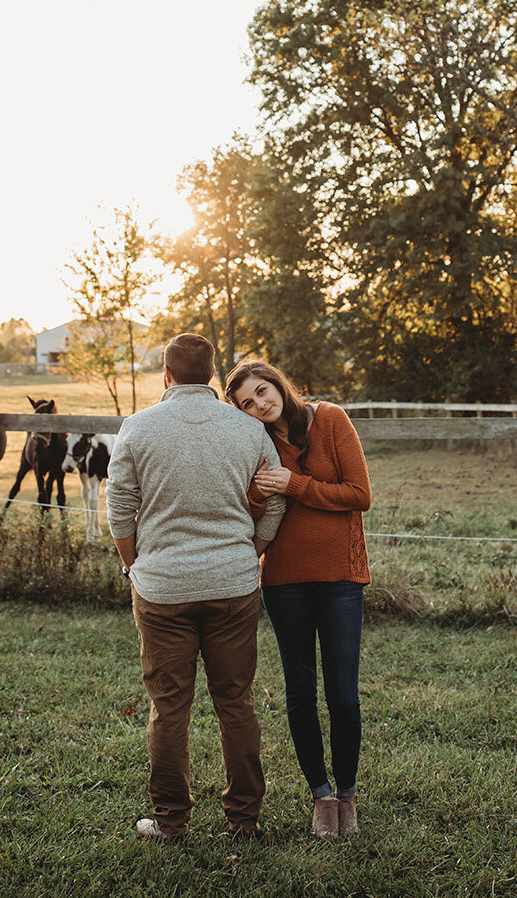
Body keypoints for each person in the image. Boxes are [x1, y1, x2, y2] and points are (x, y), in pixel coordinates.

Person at [107, 332, 287, 842]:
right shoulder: (248, 428)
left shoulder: (137, 428)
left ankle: (171, 824)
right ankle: (245, 823)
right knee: (236, 702)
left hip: (162, 588)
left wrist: (133, 564)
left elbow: (119, 507)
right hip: (232, 585)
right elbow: (276, 496)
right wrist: (253, 548)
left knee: (169, 707)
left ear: (166, 375)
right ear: (212, 375)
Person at [225, 360, 371, 841]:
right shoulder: (255, 444)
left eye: (262, 391)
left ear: (278, 385)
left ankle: (348, 792)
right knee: (300, 691)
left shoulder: (330, 419)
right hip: (284, 582)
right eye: (247, 403)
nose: (259, 404)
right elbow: (249, 506)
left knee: (344, 695)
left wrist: (295, 485)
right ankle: (322, 794)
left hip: (340, 578)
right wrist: (258, 494)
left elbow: (359, 494)